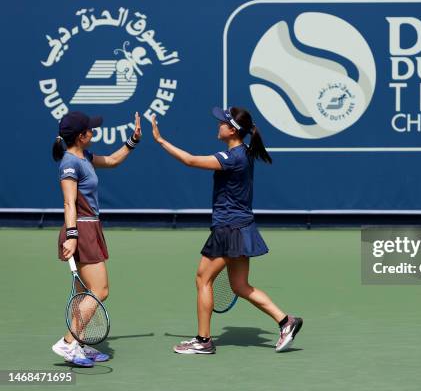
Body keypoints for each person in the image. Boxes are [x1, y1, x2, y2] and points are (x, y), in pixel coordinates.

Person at [149, 107, 303, 354]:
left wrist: (160, 140)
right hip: (242, 227)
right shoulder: (245, 153)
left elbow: (189, 160)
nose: (218, 125)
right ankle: (286, 321)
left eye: (222, 122)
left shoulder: (232, 158)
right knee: (240, 286)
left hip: (228, 229)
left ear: (232, 130)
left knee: (203, 279)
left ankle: (203, 340)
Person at [50, 111, 142, 367]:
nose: (94, 131)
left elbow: (112, 160)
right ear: (81, 136)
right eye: (90, 129)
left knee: (82, 294)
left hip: (89, 229)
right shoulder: (70, 163)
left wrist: (132, 141)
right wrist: (72, 236)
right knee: (100, 290)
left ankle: (77, 343)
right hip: (81, 229)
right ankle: (68, 342)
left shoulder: (85, 156)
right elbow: (69, 203)